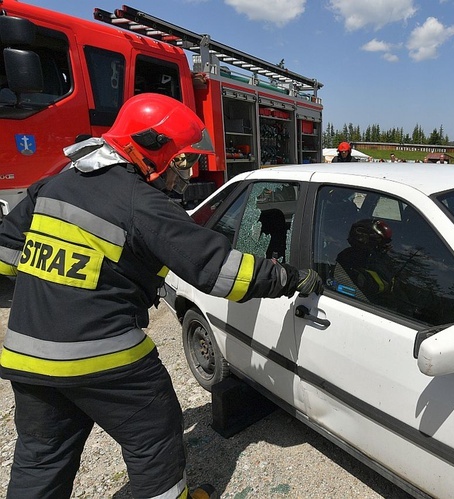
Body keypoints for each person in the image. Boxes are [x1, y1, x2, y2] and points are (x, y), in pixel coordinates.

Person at [0, 93, 323, 499]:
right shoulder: (141, 202)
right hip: (105, 357)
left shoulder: (57, 181)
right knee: (155, 442)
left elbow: (6, 257)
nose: (184, 170)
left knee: (41, 460)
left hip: (26, 354)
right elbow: (222, 273)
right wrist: (289, 277)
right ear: (153, 149)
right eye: (180, 158)